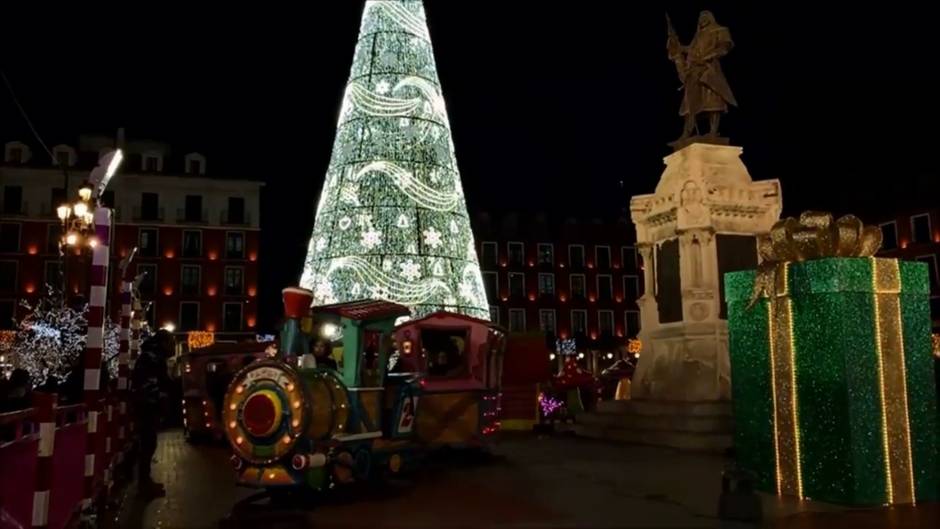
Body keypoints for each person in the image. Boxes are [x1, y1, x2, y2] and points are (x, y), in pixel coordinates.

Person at [131, 330, 173, 498]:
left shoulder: (151, 356)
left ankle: (145, 481)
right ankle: (143, 484)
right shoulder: (154, 358)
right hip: (148, 406)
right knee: (148, 444)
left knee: (148, 443)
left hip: (147, 405)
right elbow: (159, 382)